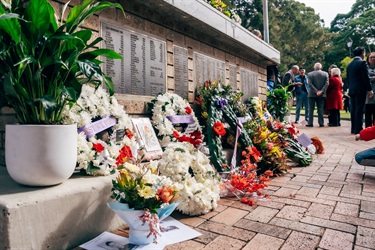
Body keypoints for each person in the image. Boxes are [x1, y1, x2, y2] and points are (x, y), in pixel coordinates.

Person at [347, 46, 373, 134]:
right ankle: (358, 128)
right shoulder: (362, 63)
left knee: (353, 109)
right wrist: (370, 89)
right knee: (359, 109)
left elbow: (348, 79)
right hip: (360, 89)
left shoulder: (350, 65)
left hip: (352, 89)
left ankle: (353, 128)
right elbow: (365, 78)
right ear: (362, 53)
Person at [306, 62, 329, 127]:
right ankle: (321, 123)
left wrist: (316, 91)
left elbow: (310, 84)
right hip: (322, 94)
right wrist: (321, 91)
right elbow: (327, 84)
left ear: (314, 67)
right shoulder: (325, 74)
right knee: (320, 109)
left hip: (312, 94)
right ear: (321, 67)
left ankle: (310, 123)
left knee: (311, 109)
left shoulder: (310, 74)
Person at [364, 52, 375, 127]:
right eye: (371, 57)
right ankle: (368, 128)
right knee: (368, 112)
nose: (373, 59)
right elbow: (365, 79)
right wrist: (373, 78)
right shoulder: (365, 68)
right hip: (368, 93)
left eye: (374, 57)